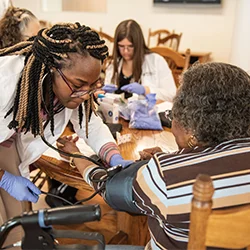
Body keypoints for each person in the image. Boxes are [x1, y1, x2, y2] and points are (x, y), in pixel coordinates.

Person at [57, 62, 250, 249]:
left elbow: (107, 187)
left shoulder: (166, 175)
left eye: (173, 114)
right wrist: (173, 157)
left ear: (191, 128)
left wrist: (76, 155)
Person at [0, 22, 132, 247]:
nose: (84, 94)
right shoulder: (7, 81)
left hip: (6, 144)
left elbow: (92, 125)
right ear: (51, 68)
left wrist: (114, 158)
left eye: (92, 86)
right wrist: (4, 178)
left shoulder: (66, 87)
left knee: (18, 228)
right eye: (79, 85)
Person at [103, 19, 176, 101]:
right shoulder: (112, 64)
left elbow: (172, 95)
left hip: (146, 112)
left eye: (130, 46)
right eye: (121, 46)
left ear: (138, 44)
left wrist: (145, 90)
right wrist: (104, 92)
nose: (126, 51)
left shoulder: (156, 61)